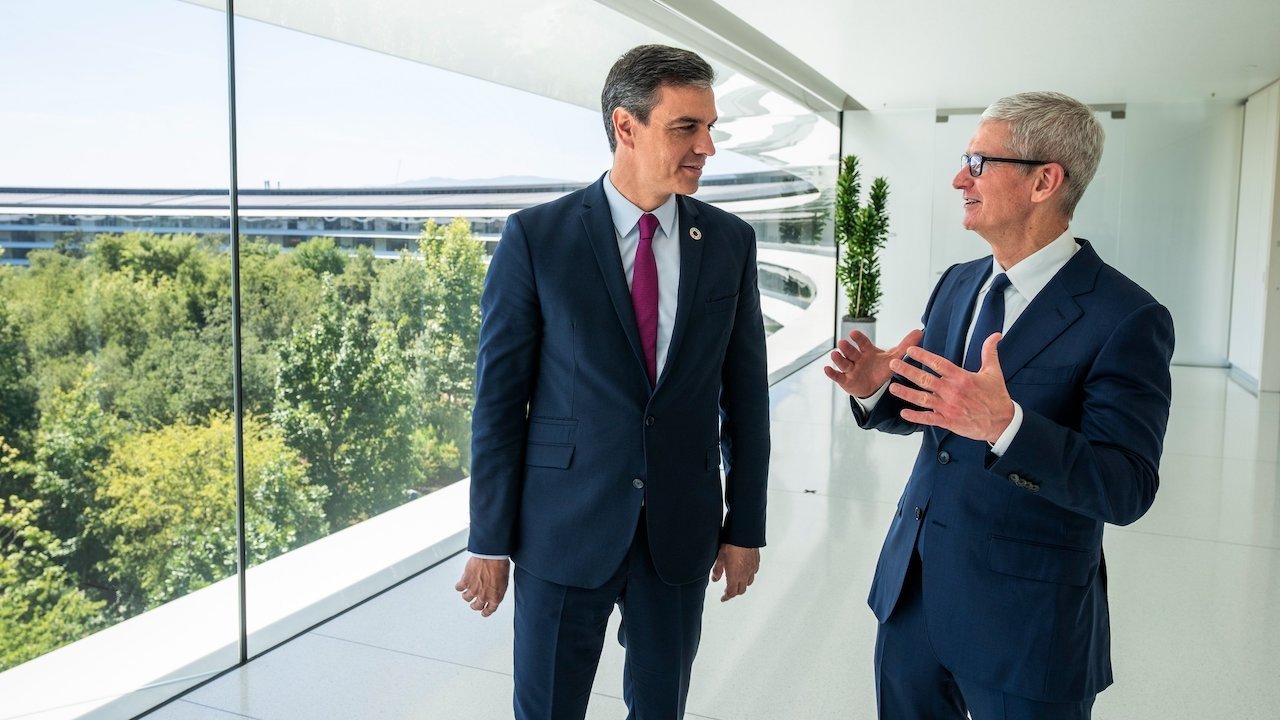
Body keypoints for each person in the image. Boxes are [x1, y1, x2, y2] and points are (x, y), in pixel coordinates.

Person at [825, 91, 1175, 719]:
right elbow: (936, 414)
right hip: (914, 599)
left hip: (1027, 629)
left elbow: (1126, 488)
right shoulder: (957, 283)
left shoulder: (1127, 318)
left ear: (1045, 181)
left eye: (980, 163)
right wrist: (878, 388)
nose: (960, 178)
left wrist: (1007, 426)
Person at [455, 44, 770, 720]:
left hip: (681, 528)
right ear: (626, 127)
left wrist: (745, 527)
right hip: (562, 525)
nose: (707, 147)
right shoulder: (537, 238)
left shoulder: (730, 244)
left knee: (662, 708)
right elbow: (499, 403)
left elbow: (745, 399)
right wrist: (488, 539)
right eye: (686, 127)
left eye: (711, 127)